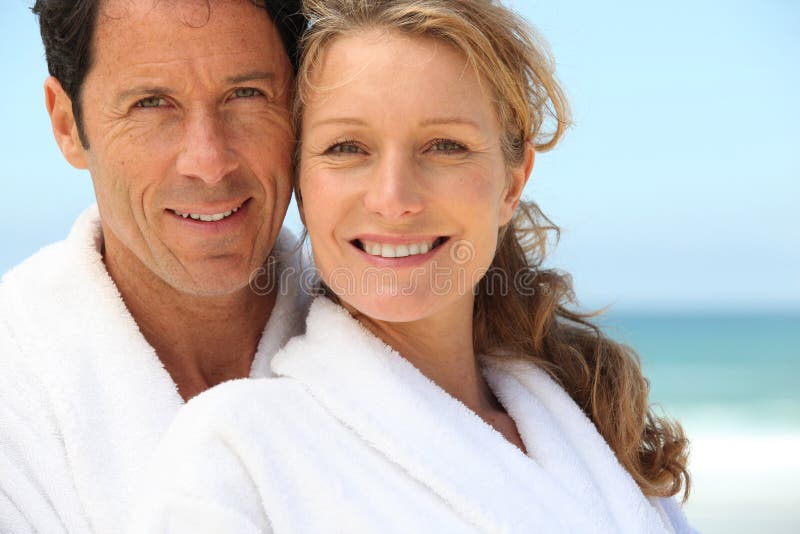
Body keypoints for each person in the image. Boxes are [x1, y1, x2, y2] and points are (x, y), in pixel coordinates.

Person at [130, 0, 696, 532]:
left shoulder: (590, 428)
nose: (394, 198)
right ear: (302, 181)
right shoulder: (235, 451)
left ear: (512, 181)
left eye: (444, 146)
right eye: (347, 148)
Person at [0, 1, 309, 532]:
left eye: (246, 94)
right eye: (151, 103)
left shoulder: (396, 338)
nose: (209, 162)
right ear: (67, 123)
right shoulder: (15, 392)